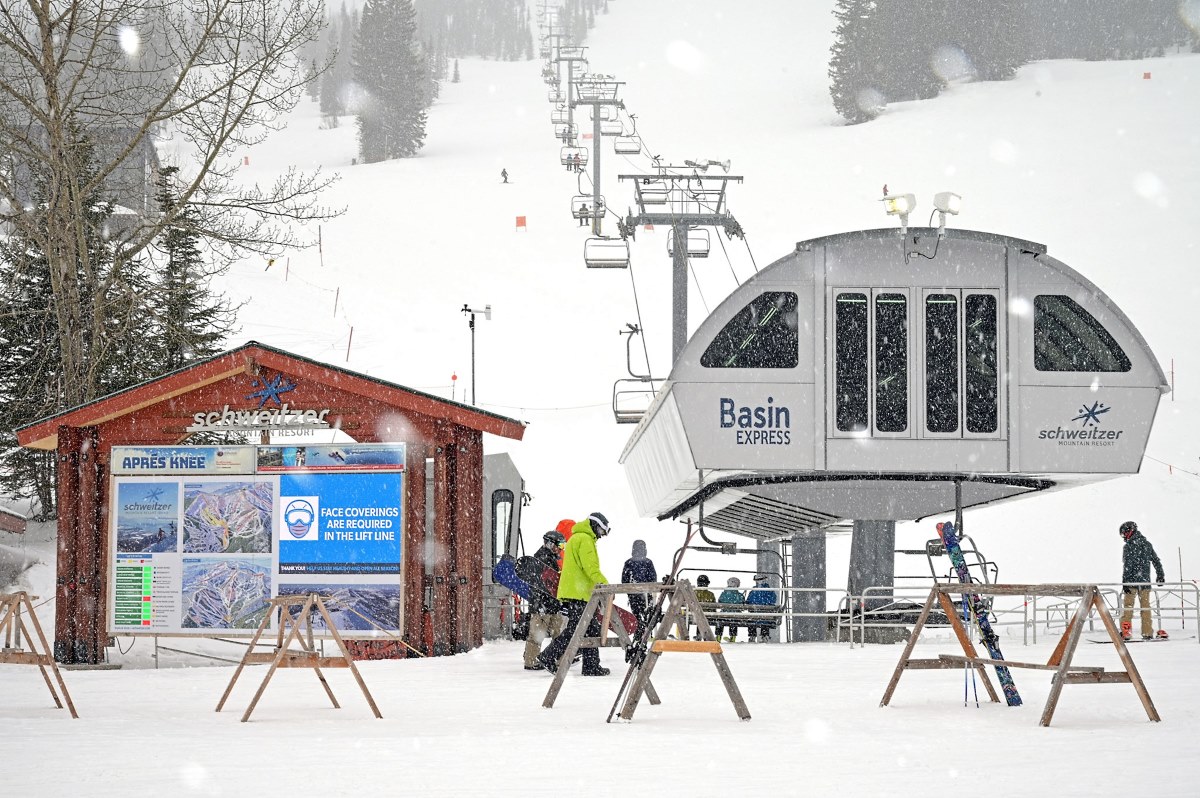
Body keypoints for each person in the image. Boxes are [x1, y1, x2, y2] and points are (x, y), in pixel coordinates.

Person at [538, 512, 612, 676]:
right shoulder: (584, 540)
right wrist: (607, 585)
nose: (601, 536)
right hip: (579, 593)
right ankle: (549, 656)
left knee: (590, 628)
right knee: (576, 630)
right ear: (594, 525)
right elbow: (590, 568)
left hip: (576, 592)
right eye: (600, 531)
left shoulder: (576, 538)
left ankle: (591, 666)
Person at [518, 531, 566, 670]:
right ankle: (531, 661)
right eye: (560, 545)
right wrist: (540, 603)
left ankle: (557, 658)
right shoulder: (541, 559)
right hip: (542, 605)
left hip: (552, 604)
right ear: (551, 544)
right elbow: (540, 584)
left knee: (558, 633)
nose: (561, 549)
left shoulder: (551, 559)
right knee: (537, 635)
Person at [1119, 521, 1167, 641]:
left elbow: (1127, 566)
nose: (1124, 537)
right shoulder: (1146, 544)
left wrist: (1124, 582)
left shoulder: (1128, 547)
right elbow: (1156, 561)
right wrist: (1160, 575)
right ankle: (1147, 632)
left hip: (1131, 583)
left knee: (1128, 608)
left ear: (1130, 531)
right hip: (1145, 582)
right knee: (1145, 608)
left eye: (1124, 534)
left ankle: (1126, 632)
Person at [621, 540, 657, 632]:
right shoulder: (648, 562)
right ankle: (646, 632)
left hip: (633, 595)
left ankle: (639, 632)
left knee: (636, 616)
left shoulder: (629, 563)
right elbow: (653, 579)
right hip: (646, 594)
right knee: (647, 615)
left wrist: (630, 590)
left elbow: (624, 581)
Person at [745, 574, 777, 643]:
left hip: (755, 614)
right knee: (765, 621)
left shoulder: (753, 591)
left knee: (751, 621)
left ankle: (752, 636)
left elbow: (748, 601)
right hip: (765, 614)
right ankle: (764, 636)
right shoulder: (769, 591)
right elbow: (773, 600)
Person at [716, 577, 744, 642]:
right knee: (733, 622)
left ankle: (718, 636)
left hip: (724, 614)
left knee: (719, 621)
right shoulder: (739, 595)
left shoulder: (723, 594)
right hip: (735, 615)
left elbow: (720, 601)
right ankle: (733, 637)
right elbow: (742, 604)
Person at [692, 575, 717, 640]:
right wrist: (713, 612)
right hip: (707, 614)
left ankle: (699, 636)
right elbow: (713, 606)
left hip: (695, 614)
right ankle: (705, 636)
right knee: (703, 619)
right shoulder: (710, 594)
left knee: (699, 618)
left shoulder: (694, 593)